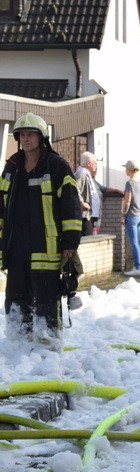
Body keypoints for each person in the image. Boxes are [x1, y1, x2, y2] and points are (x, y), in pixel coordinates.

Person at [0, 113, 83, 345]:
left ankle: (48, 343)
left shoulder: (56, 166)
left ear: (41, 137)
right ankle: (18, 342)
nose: (26, 139)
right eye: (22, 135)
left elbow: (71, 207)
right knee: (16, 295)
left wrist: (70, 243)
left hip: (46, 244)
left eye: (31, 134)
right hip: (16, 244)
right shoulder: (12, 167)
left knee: (46, 295)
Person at [121, 160, 140, 276]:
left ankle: (138, 267)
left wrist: (123, 215)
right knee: (137, 242)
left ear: (130, 170)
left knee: (134, 242)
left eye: (126, 168)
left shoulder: (129, 183)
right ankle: (139, 266)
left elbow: (127, 201)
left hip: (131, 216)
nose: (125, 170)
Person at [74, 151, 99, 235]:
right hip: (83, 215)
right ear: (88, 163)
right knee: (87, 239)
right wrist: (82, 203)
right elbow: (75, 189)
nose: (96, 165)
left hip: (89, 215)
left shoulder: (87, 174)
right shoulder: (81, 174)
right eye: (95, 163)